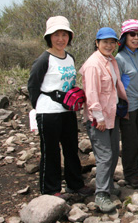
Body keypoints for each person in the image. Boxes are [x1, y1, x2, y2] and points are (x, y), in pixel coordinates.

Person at [28, 16, 92, 198]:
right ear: (49, 37)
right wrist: (39, 107)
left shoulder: (69, 58)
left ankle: (75, 184)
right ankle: (50, 189)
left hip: (67, 111)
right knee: (51, 152)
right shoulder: (43, 60)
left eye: (64, 35)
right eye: (56, 35)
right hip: (48, 112)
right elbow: (33, 86)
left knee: (71, 148)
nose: (61, 39)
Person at [80, 27, 128, 212]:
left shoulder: (110, 60)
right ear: (97, 43)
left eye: (112, 42)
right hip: (98, 118)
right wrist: (98, 117)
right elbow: (91, 94)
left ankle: (107, 186)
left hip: (111, 114)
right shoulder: (93, 64)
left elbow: (116, 87)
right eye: (105, 42)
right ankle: (101, 194)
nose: (109, 45)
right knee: (104, 155)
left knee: (114, 151)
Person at [115, 19, 138, 188]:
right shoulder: (119, 58)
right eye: (132, 34)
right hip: (127, 107)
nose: (136, 38)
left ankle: (137, 168)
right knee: (130, 141)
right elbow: (115, 84)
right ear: (124, 37)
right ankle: (130, 173)